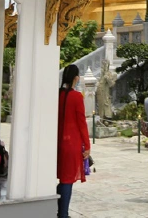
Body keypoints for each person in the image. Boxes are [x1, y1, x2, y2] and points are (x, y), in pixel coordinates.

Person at [57, 64, 90, 218]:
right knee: (67, 179)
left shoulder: (57, 94)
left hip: (56, 142)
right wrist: (87, 145)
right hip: (71, 143)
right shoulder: (77, 97)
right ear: (76, 78)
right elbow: (81, 123)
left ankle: (60, 211)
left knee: (62, 178)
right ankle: (63, 214)